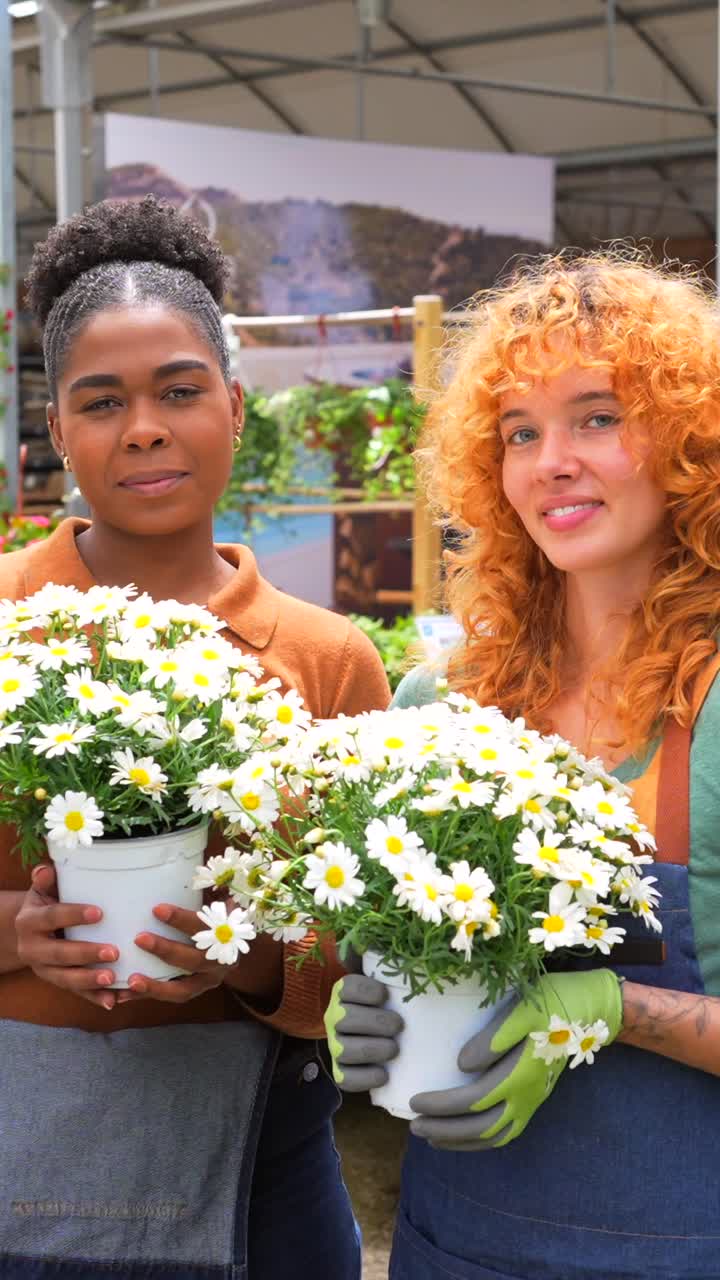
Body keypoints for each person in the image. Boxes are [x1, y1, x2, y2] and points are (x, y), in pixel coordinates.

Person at [0, 195, 391, 1280]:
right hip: (21, 1165)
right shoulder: (8, 621)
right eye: (101, 401)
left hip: (264, 1176)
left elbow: (363, 948)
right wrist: (22, 934)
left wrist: (247, 954)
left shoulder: (328, 659)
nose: (145, 428)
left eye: (179, 390)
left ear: (232, 399)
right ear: (56, 427)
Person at [325, 250, 720, 1279]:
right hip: (451, 1245)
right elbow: (392, 952)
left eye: (598, 416)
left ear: (691, 441)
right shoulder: (446, 701)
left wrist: (614, 1006)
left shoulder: (711, 709)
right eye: (519, 431)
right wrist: (365, 1000)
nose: (552, 460)